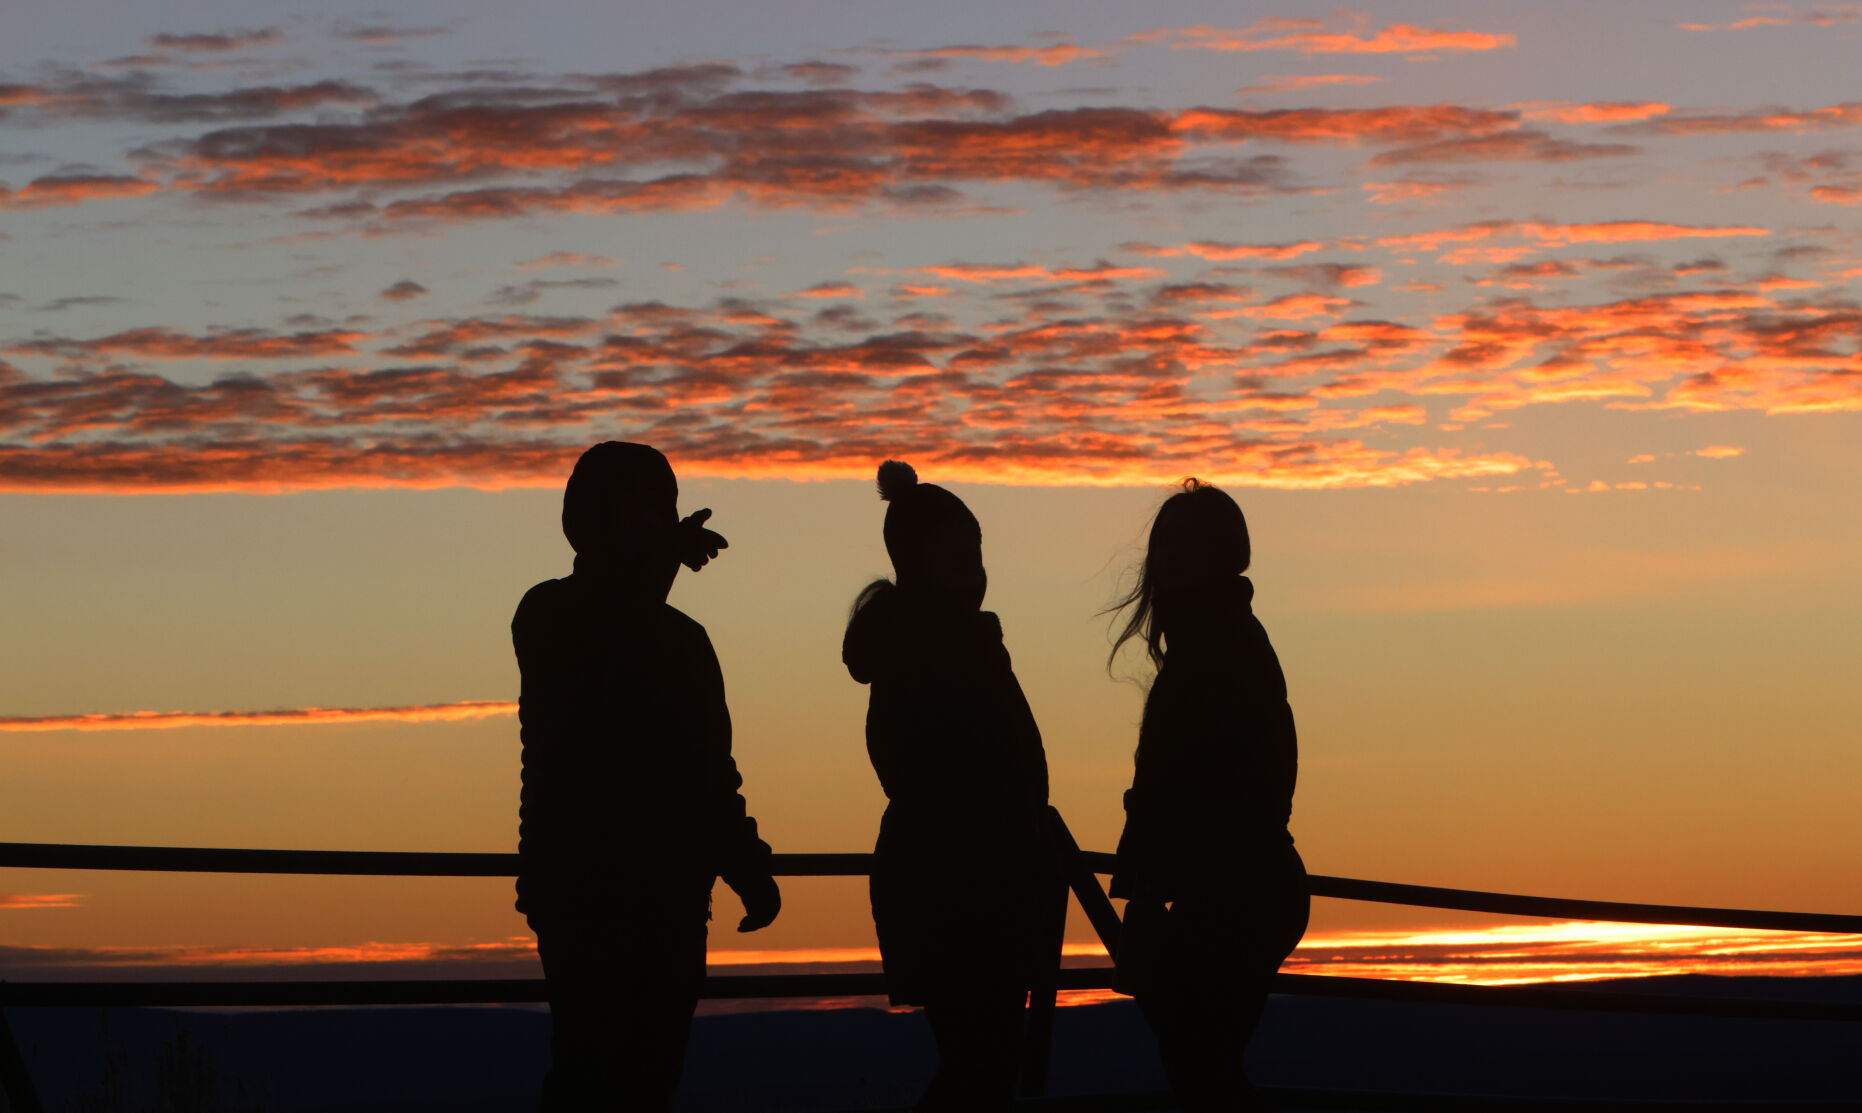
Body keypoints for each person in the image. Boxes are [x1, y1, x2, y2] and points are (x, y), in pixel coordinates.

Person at [512, 441, 781, 1112]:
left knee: (643, 1079)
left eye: (668, 511)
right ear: (596, 519)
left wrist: (745, 864)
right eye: (647, 513)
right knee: (594, 1077)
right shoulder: (549, 614)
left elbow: (712, 774)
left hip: (666, 900)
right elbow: (607, 637)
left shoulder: (681, 642)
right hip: (585, 894)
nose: (663, 525)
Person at [842, 460, 1050, 1112]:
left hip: (962, 878)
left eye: (977, 550)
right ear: (918, 557)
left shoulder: (929, 644)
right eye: (959, 550)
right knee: (982, 1066)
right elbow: (977, 763)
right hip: (964, 881)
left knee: (980, 1063)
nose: (975, 565)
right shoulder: (941, 648)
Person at [1106, 478, 1309, 1113]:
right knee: (1208, 1069)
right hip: (1245, 888)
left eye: (1182, 549)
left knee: (1201, 1070)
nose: (1167, 563)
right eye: (1165, 549)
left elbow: (1173, 790)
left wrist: (1140, 895)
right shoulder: (1230, 642)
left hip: (1229, 893)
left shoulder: (1212, 653)